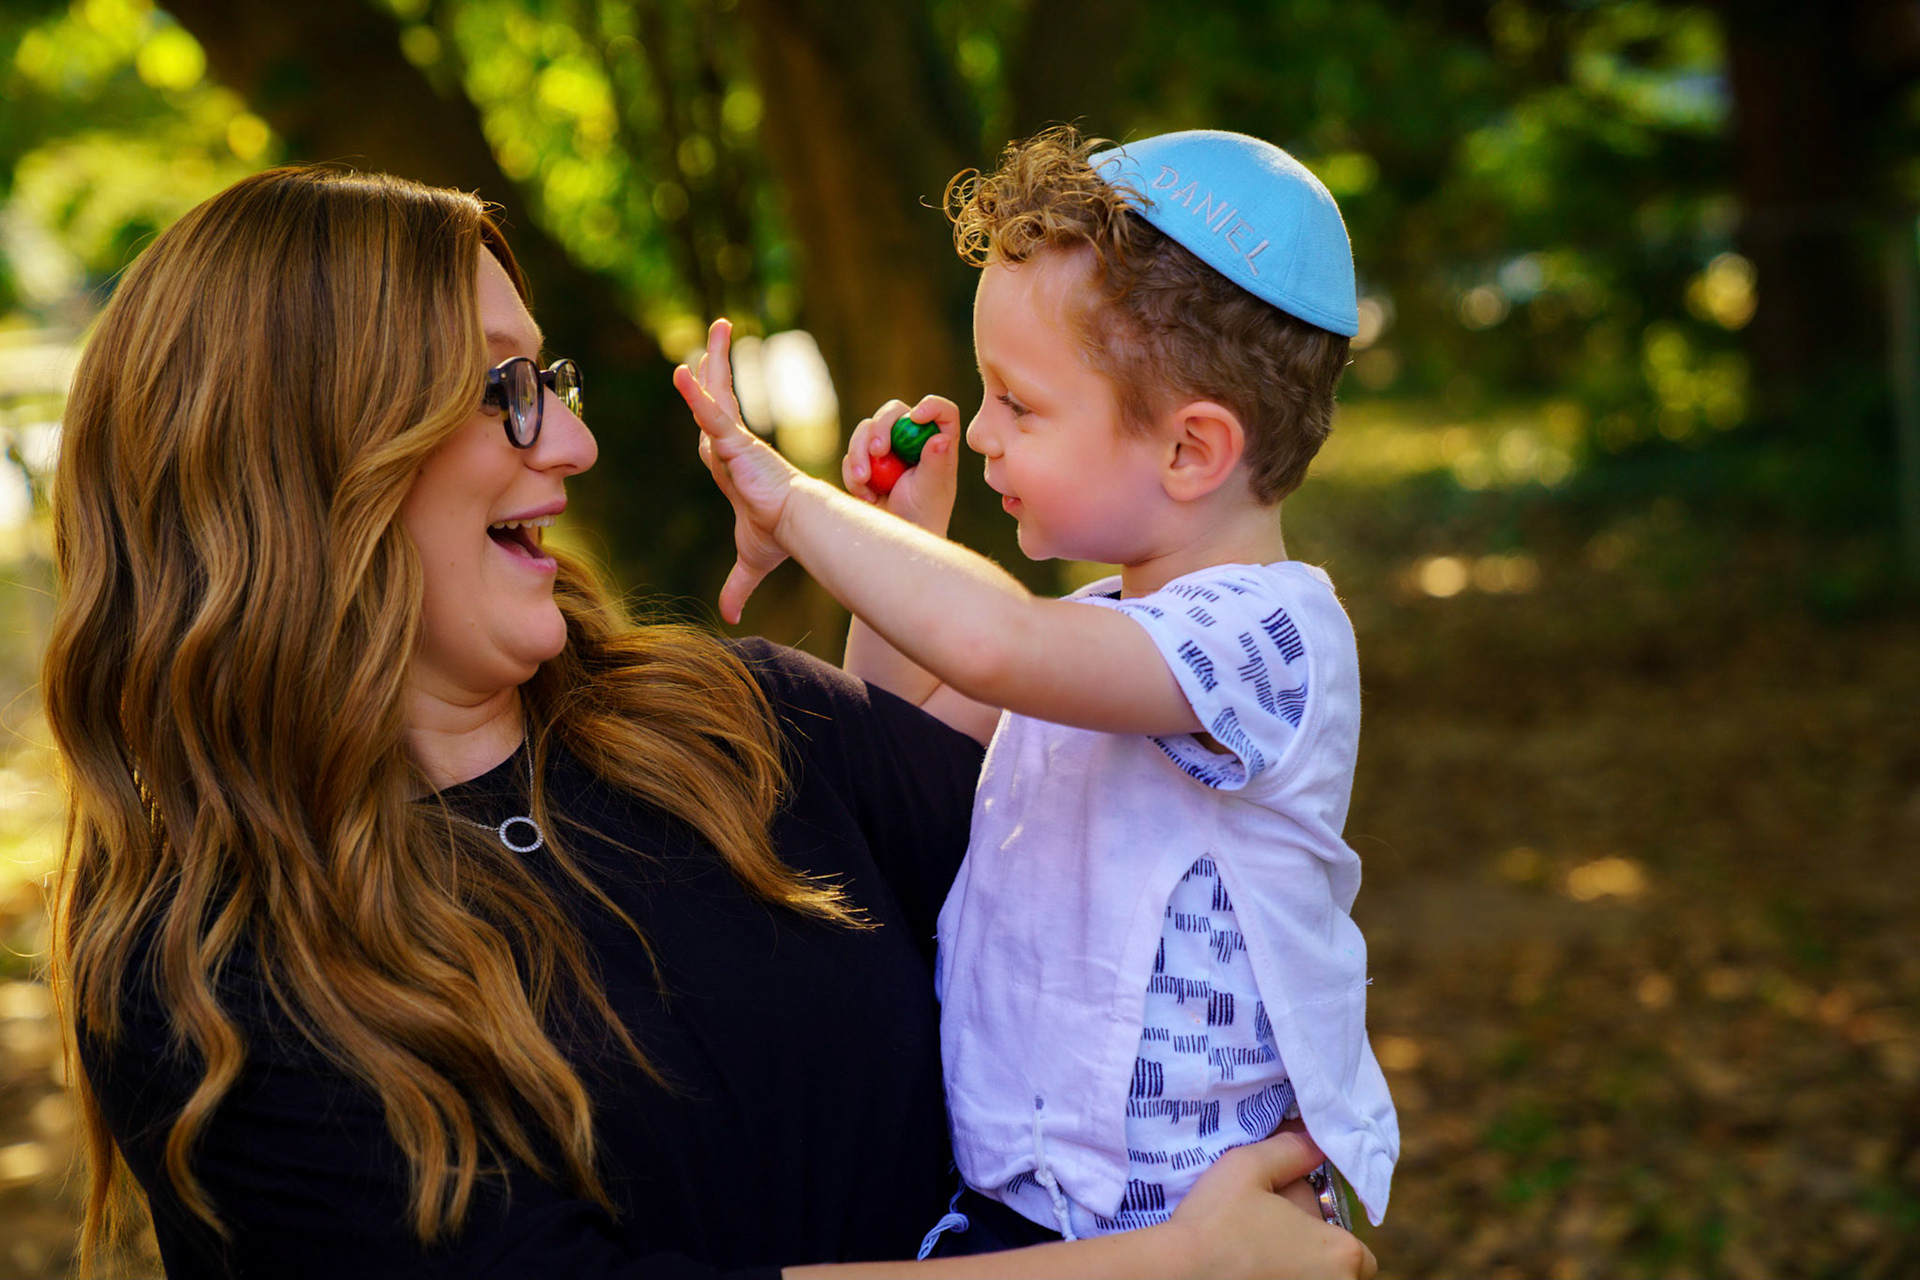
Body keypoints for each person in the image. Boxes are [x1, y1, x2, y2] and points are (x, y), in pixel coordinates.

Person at [41, 164, 1374, 1280]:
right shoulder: (217, 982)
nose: (570, 446)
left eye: (548, 380)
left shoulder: (729, 722)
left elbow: (1037, 841)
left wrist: (878, 574)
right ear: (306, 457)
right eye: (504, 390)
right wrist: (1170, 1269)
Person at [676, 126, 1399, 1251]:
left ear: (1190, 451)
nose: (982, 431)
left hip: (1194, 1228)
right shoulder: (1103, 631)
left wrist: (797, 504)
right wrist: (899, 543)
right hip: (1028, 1215)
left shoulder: (1268, 635)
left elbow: (999, 646)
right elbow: (899, 738)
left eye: (1019, 402)